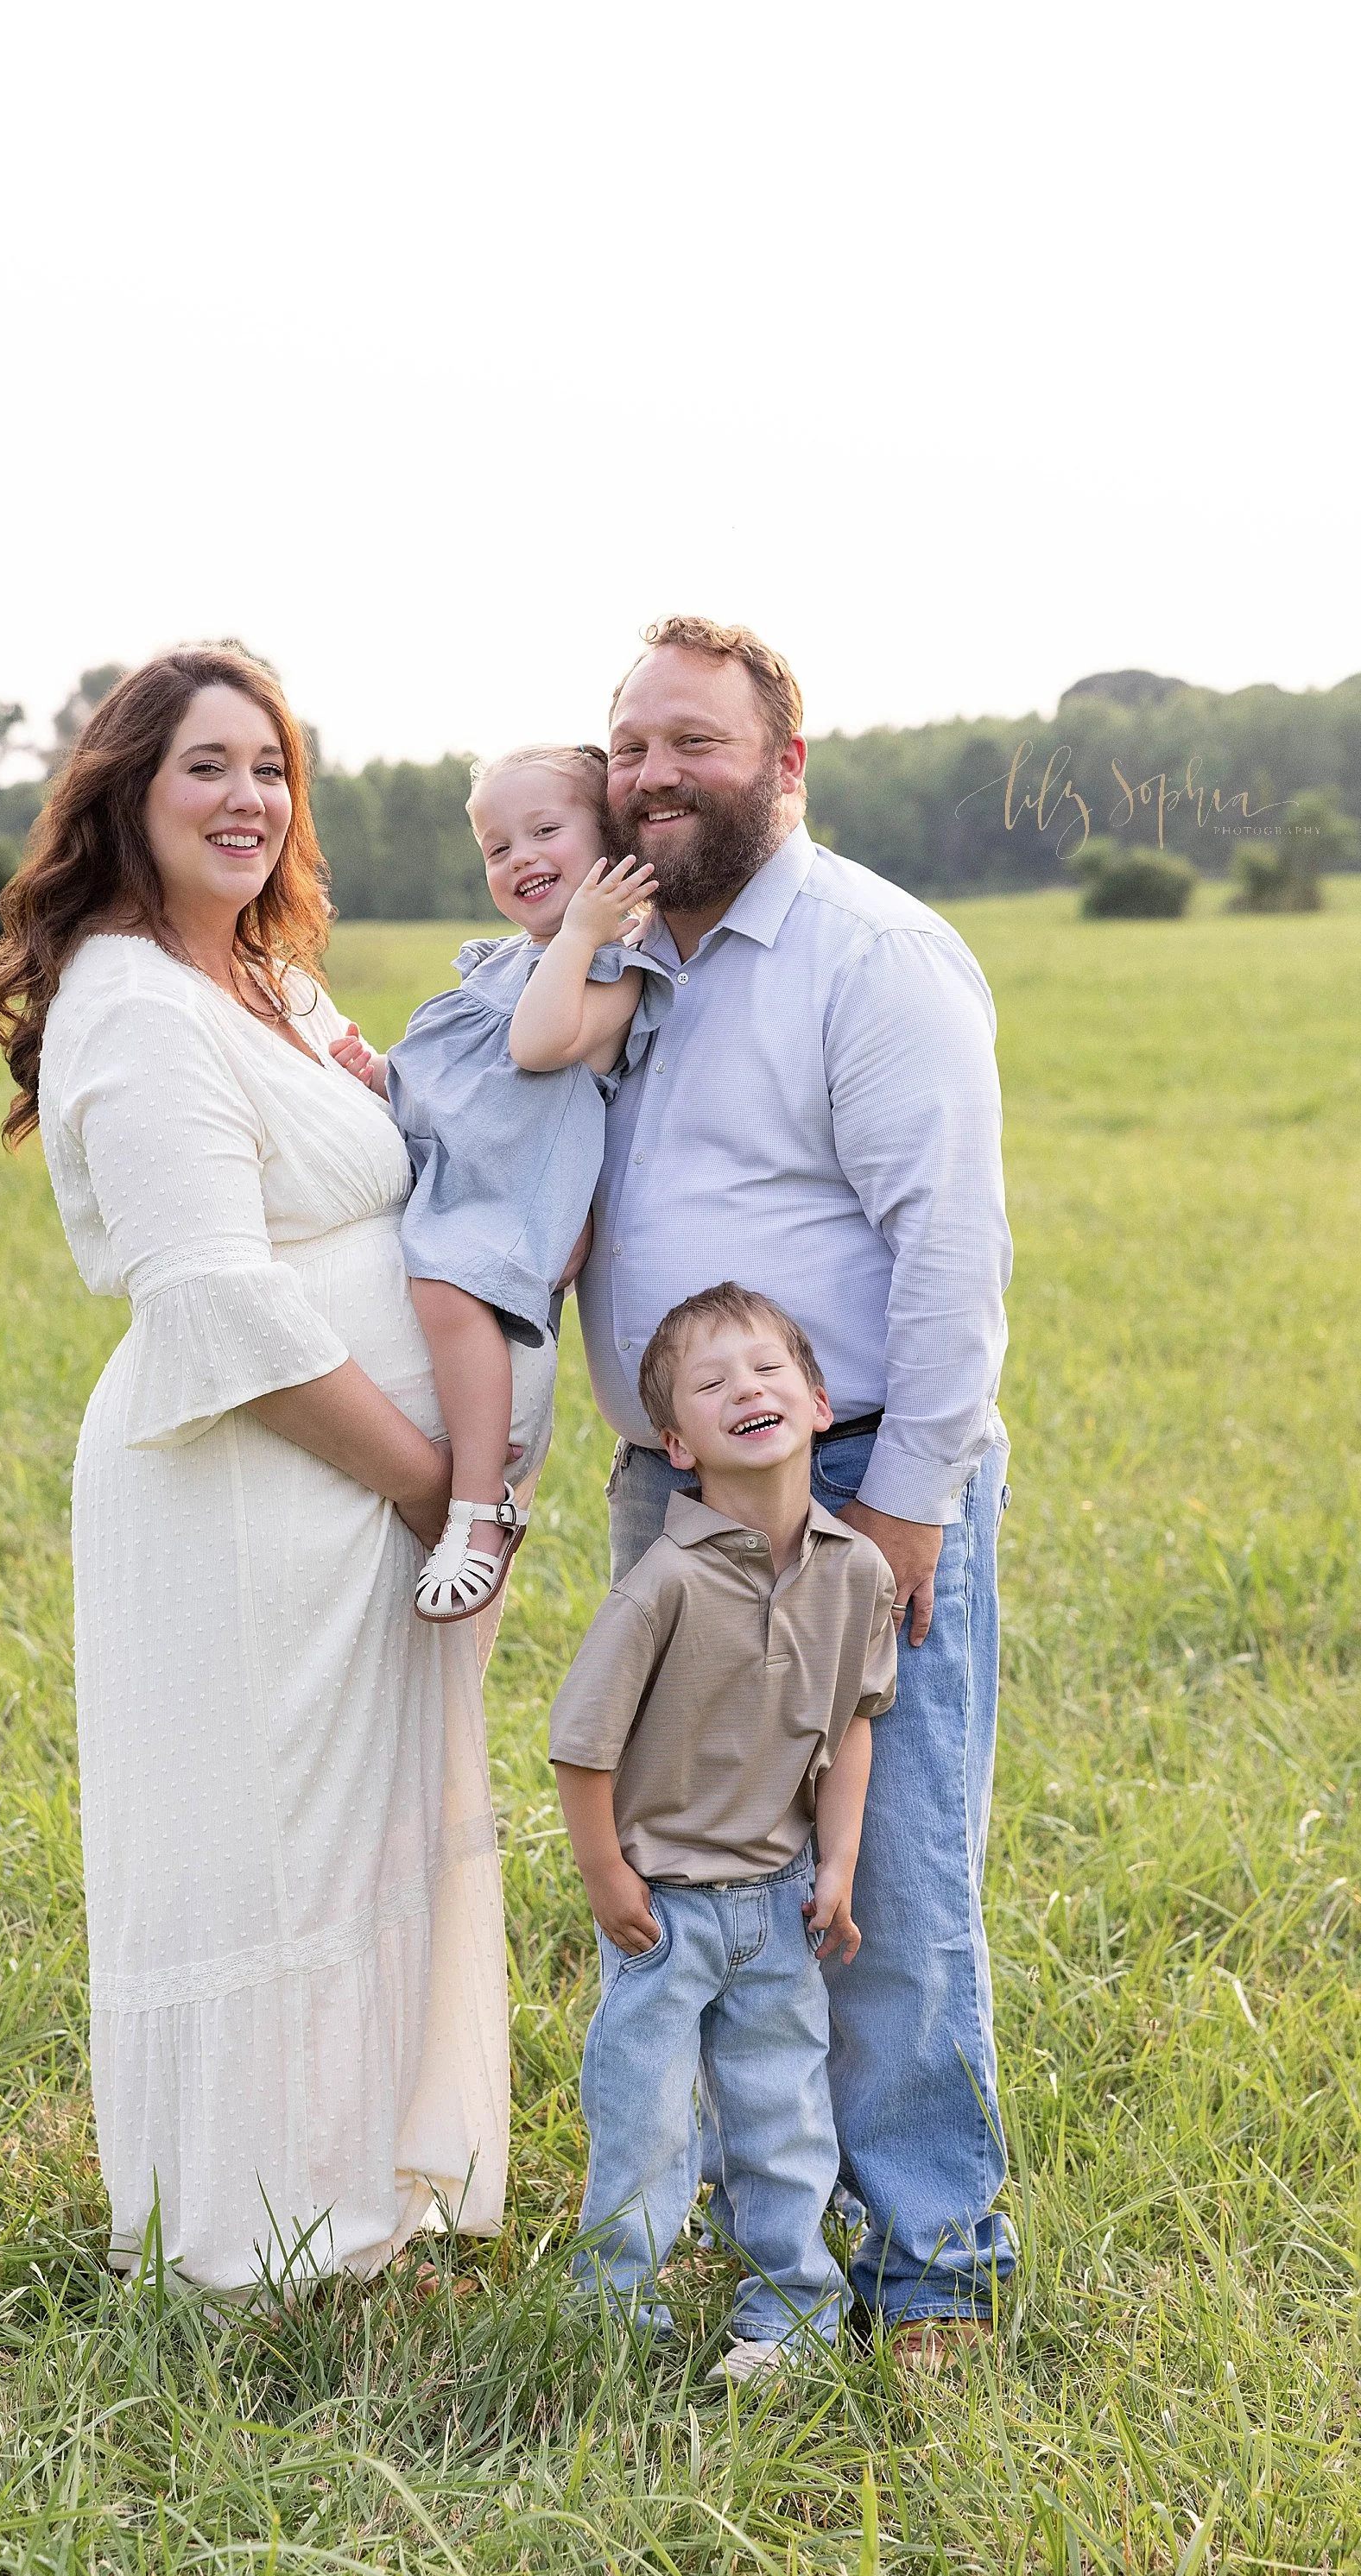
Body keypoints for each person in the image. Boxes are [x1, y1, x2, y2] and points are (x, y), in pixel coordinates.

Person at [0, 644, 508, 2294]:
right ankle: (254, 2242)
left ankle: (358, 2201)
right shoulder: (133, 999)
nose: (248, 799)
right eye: (207, 765)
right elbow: (214, 1297)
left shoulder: (263, 979)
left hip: (345, 1495)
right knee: (266, 1844)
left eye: (270, 767)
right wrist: (435, 1478)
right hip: (256, 1488)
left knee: (360, 1844)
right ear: (127, 791)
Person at [580, 614, 1014, 2365]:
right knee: (707, 1878)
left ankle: (931, 2268)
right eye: (627, 746)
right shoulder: (615, 960)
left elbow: (949, 1250)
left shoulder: (866, 952)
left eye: (693, 739)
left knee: (884, 1878)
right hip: (668, 1493)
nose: (654, 773)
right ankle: (760, 2222)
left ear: (784, 763)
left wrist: (905, 1504)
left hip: (848, 1484)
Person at [551, 1284, 896, 2383]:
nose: (744, 1389)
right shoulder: (664, 1581)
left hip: (780, 1900)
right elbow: (582, 1744)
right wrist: (606, 1876)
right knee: (643, 2121)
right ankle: (615, 2316)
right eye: (710, 1384)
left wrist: (835, 1862)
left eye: (765, 1370)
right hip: (664, 1910)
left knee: (782, 2115)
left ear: (818, 1399)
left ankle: (790, 2314)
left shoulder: (857, 1571)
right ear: (676, 1444)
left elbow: (850, 1727)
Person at [331, 745, 665, 1622]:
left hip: (513, 1197)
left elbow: (533, 1046)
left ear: (608, 843)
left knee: (445, 1285)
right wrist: (382, 1076)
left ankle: (481, 1508)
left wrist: (587, 930)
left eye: (545, 832)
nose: (518, 858)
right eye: (495, 846)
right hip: (463, 1172)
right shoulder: (505, 963)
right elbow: (457, 1082)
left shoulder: (613, 971)